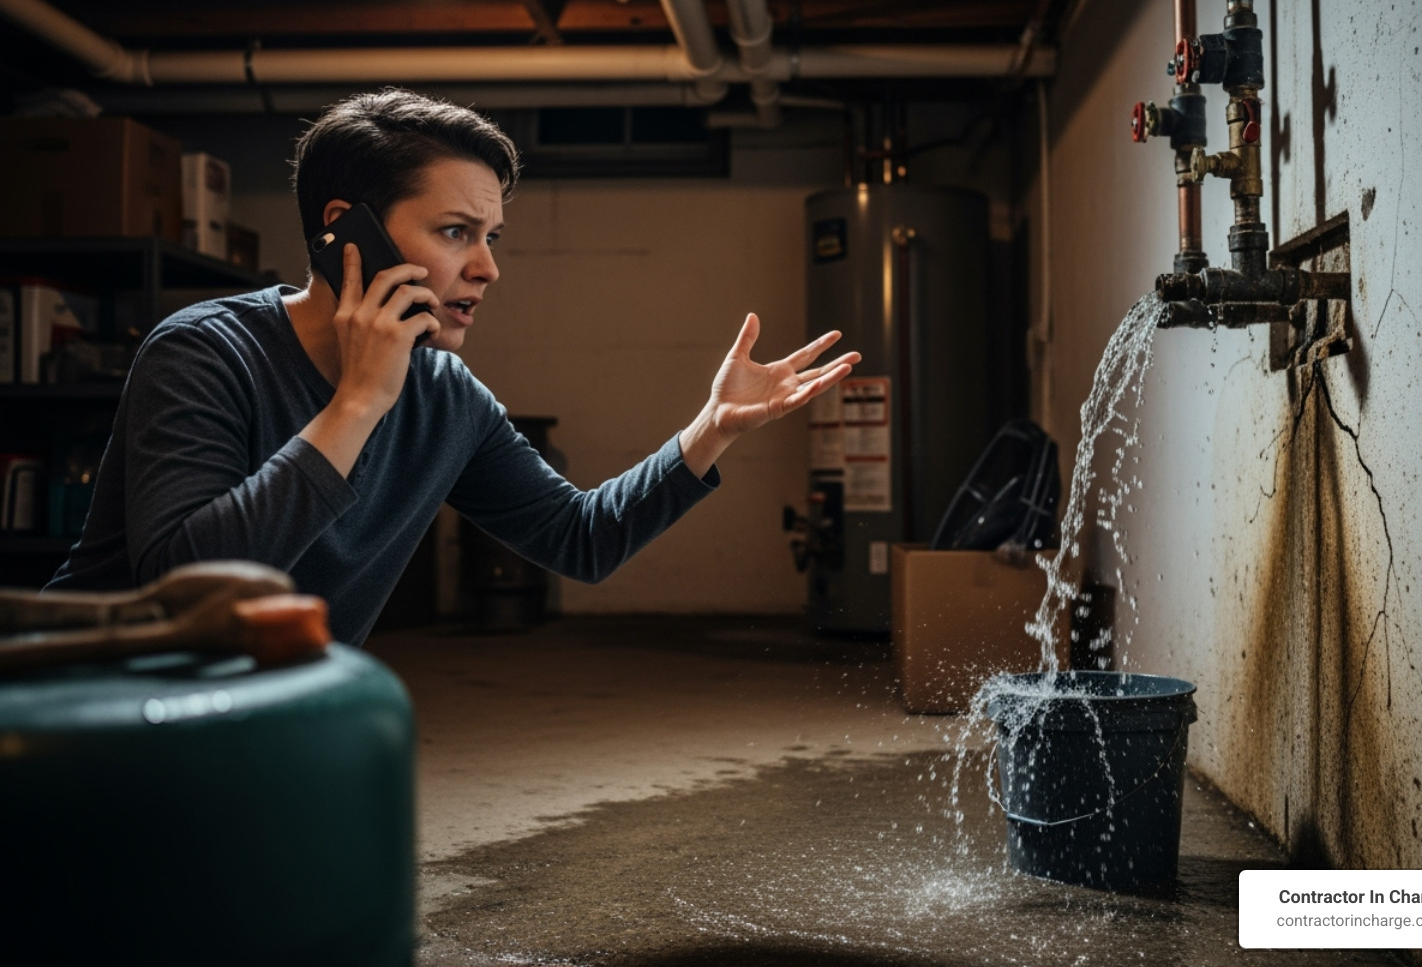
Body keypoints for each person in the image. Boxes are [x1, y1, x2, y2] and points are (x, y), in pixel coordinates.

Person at [44, 88, 860, 645]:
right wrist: (357, 403)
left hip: (257, 721)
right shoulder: (204, 352)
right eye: (454, 232)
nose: (487, 268)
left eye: (490, 237)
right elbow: (182, 586)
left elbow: (581, 539)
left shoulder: (444, 397)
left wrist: (713, 428)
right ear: (346, 229)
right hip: (92, 706)